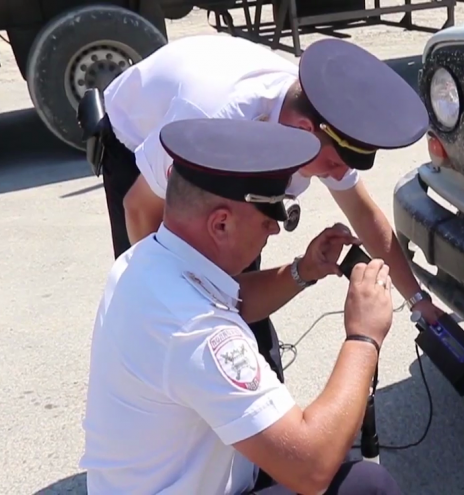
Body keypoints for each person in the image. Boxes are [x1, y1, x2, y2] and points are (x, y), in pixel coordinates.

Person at [95, 33, 445, 383]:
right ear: (304, 131)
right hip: (137, 142)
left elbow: (365, 216)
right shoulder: (213, 117)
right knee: (172, 312)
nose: (340, 174)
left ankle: (256, 386)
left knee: (236, 290)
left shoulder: (322, 123)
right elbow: (140, 209)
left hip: (227, 122)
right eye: (335, 165)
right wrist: (167, 303)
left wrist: (417, 299)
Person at [80, 117, 402, 495]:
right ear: (220, 225)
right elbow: (310, 467)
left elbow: (232, 298)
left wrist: (303, 270)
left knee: (329, 447)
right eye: (269, 216)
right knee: (366, 483)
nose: (275, 230)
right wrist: (364, 336)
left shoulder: (147, 260)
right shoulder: (198, 331)